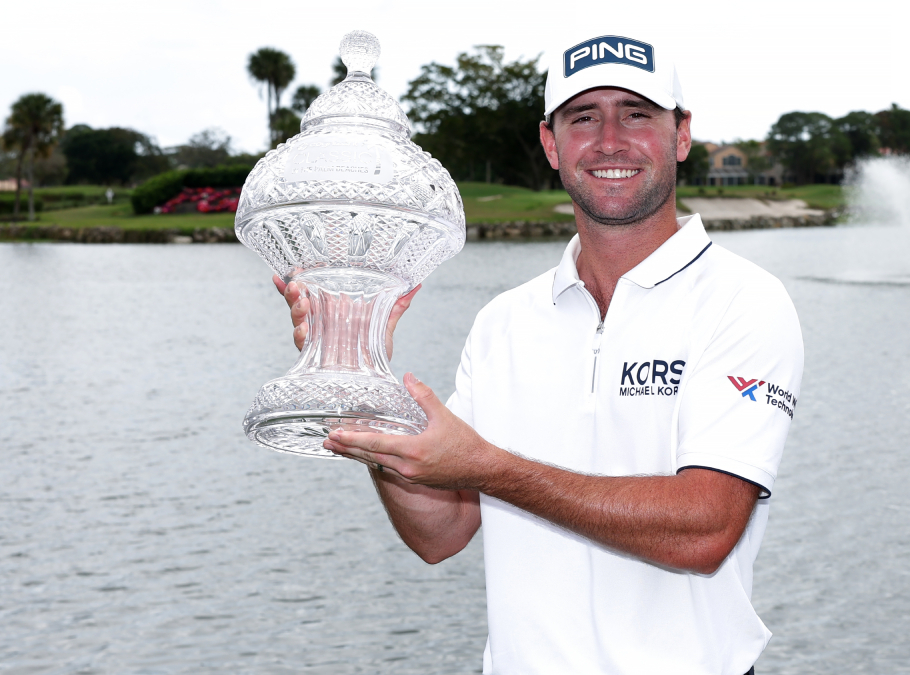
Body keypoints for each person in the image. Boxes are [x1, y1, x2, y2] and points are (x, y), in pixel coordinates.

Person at [278, 34, 803, 675]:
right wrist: (362, 380)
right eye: (583, 118)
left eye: (636, 114)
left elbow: (705, 530)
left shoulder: (743, 300)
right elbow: (438, 533)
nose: (610, 140)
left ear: (682, 134)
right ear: (552, 145)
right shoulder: (503, 322)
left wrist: (491, 468)